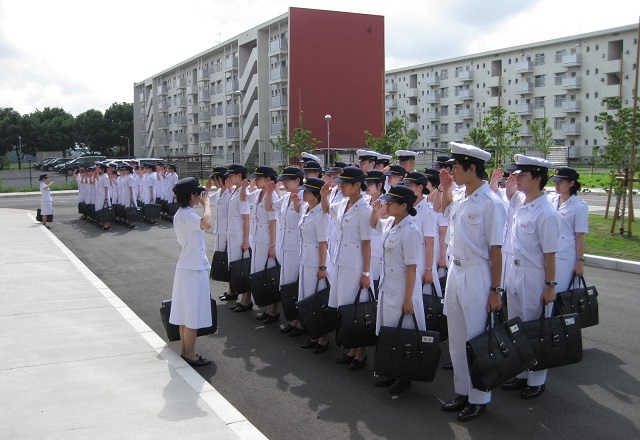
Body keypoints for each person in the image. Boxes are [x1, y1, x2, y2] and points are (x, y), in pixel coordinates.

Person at [437, 142, 505, 422]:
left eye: (455, 167)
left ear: (472, 168)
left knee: (477, 340)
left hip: (478, 274)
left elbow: (496, 250)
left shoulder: (491, 202)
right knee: (456, 338)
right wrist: (446, 188)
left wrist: (496, 290)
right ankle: (463, 391)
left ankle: (479, 398)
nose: (452, 171)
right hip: (456, 271)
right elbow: (443, 211)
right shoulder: (463, 197)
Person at [500, 155, 560, 400]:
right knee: (517, 325)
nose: (517, 178)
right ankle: (522, 372)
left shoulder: (546, 213)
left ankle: (537, 379)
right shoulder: (522, 203)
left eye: (523, 175)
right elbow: (509, 194)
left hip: (535, 275)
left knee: (535, 328)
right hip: (515, 271)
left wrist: (550, 286)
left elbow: (550, 255)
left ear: (537, 178)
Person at [370, 185, 426, 394]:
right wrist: (377, 211)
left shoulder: (411, 230)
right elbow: (373, 224)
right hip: (388, 287)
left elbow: (412, 268)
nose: (388, 204)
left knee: (404, 335)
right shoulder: (391, 224)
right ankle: (391, 372)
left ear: (404, 206)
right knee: (389, 333)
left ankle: (404, 378)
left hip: (403, 290)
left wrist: (408, 299)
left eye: (391, 202)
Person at [321, 166, 372, 371]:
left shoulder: (365, 209)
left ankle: (361, 354)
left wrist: (366, 272)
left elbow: (367, 244)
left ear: (357, 185)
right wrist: (324, 196)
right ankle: (351, 349)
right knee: (345, 307)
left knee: (357, 308)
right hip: (341, 262)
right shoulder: (342, 204)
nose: (340, 187)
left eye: (345, 184)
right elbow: (327, 210)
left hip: (356, 266)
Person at [169, 177, 213, 367]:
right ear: (192, 196)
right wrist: (208, 205)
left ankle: (185, 351)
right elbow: (207, 223)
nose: (200, 197)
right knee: (192, 314)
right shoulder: (188, 215)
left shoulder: (181, 213)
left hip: (186, 267)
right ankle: (191, 354)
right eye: (198, 194)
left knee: (184, 314)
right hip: (193, 268)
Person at [297, 177, 332, 352]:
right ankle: (314, 334)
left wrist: (322, 267)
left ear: (317, 194)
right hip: (305, 259)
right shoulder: (306, 209)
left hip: (316, 262)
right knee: (306, 298)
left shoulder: (321, 214)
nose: (304, 193)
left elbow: (323, 243)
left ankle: (323, 338)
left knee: (316, 301)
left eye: (307, 191)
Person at [242, 165, 280, 323]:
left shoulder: (273, 197)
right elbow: (244, 197)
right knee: (260, 274)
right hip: (257, 238)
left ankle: (274, 311)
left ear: (268, 180)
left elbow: (273, 222)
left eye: (258, 178)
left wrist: (273, 244)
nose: (255, 180)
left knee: (269, 275)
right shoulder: (258, 194)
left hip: (266, 240)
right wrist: (246, 186)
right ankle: (268, 309)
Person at [273, 166, 306, 336]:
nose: (284, 182)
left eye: (288, 180)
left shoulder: (304, 197)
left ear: (298, 181)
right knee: (286, 285)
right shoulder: (286, 197)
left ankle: (300, 321)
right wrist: (273, 189)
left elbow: (307, 221)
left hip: (297, 250)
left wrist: (298, 206)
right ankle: (293, 320)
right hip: (286, 248)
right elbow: (270, 207)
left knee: (295, 286)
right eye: (283, 180)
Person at [399, 172, 441, 298]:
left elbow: (430, 244)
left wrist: (428, 270)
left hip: (421, 263)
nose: (406, 188)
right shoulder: (405, 209)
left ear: (420, 187)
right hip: (406, 261)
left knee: (422, 300)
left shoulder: (428, 212)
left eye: (409, 186)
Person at [548, 167, 588, 291]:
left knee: (560, 292)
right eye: (556, 182)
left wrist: (580, 262)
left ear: (571, 183)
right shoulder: (550, 199)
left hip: (565, 256)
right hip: (549, 252)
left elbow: (579, 236)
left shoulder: (579, 206)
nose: (557, 185)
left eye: (561, 182)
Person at [225, 164, 253, 311]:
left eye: (232, 174)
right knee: (236, 267)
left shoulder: (244, 192)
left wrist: (246, 240)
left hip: (240, 236)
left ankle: (247, 300)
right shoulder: (236, 191)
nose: (229, 177)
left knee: (243, 268)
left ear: (239, 175)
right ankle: (242, 298)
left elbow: (246, 218)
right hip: (233, 234)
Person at [364, 170, 386, 296]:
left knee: (376, 283)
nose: (366, 186)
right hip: (366, 247)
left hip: (378, 248)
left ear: (379, 186)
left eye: (370, 184)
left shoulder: (387, 202)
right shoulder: (365, 200)